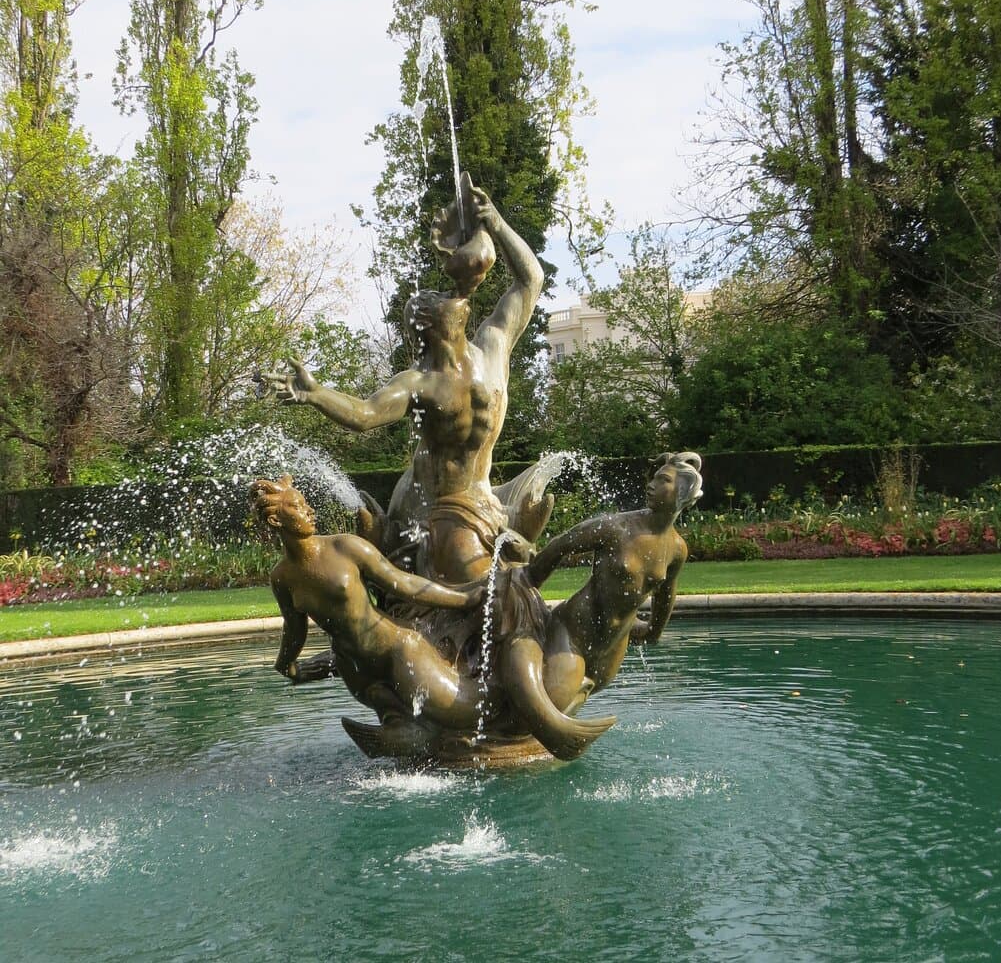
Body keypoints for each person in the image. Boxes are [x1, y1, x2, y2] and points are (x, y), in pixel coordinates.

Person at [264, 180, 544, 584]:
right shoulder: (419, 383)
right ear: (429, 325)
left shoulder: (493, 345)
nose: (449, 295)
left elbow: (530, 279)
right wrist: (315, 393)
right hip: (425, 509)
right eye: (435, 297)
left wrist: (496, 223)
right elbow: (364, 415)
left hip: (480, 497)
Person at [497, 453, 702, 753]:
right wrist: (527, 582)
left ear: (683, 494)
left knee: (566, 704)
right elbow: (561, 545)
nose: (652, 484)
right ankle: (505, 737)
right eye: (655, 477)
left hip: (613, 648)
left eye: (664, 480)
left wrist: (654, 631)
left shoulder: (676, 548)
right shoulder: (617, 528)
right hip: (575, 632)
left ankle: (533, 742)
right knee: (553, 700)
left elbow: (665, 593)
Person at [252, 476, 487, 732]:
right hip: (355, 669)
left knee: (462, 716)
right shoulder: (282, 577)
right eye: (298, 506)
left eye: (306, 503)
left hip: (397, 651)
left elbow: (404, 584)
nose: (309, 511)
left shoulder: (346, 547)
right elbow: (295, 628)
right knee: (404, 734)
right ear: (276, 520)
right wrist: (285, 663)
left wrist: (464, 599)